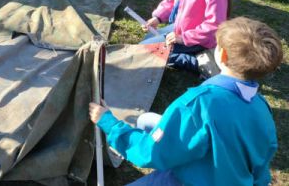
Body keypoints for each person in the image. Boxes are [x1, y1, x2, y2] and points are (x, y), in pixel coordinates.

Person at [89, 17, 283, 186]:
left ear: (222, 55)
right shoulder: (261, 106)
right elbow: (262, 162)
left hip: (189, 181)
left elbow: (151, 152)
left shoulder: (198, 105)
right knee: (147, 120)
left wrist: (110, 123)